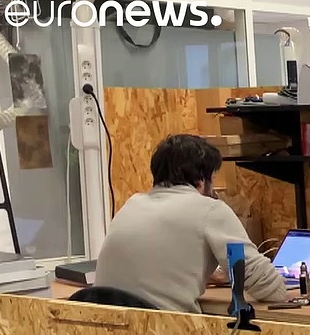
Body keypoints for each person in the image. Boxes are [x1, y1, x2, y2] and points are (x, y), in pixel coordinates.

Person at [95, 134, 287, 313]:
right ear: (201, 179)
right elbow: (270, 287)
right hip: (164, 330)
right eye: (213, 178)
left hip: (107, 330)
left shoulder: (132, 204)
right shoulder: (210, 209)